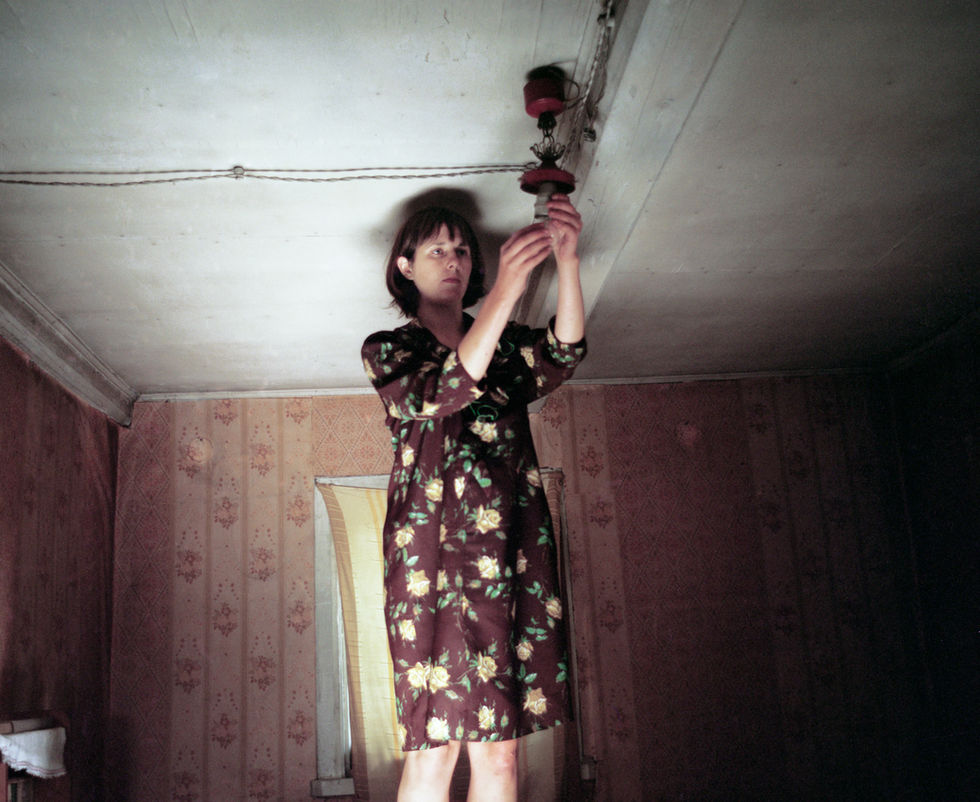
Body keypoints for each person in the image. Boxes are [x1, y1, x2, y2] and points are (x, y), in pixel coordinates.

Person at [361, 194, 586, 802]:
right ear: (406, 266)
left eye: (462, 250)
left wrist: (567, 261)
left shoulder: (508, 349)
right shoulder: (389, 350)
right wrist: (506, 291)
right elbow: (447, 388)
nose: (453, 260)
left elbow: (562, 353)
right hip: (430, 565)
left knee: (501, 754)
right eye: (437, 249)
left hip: (510, 557)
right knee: (433, 751)